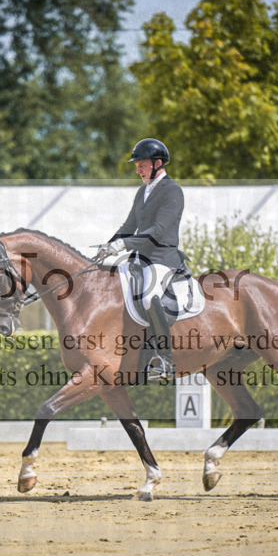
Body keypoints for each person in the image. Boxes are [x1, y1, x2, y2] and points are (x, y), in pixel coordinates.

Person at [98, 138, 187, 381]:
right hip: (139, 260)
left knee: (149, 297)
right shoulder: (142, 191)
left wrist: (123, 244)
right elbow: (130, 225)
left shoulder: (173, 191)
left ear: (158, 163)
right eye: (136, 165)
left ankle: (165, 360)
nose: (137, 170)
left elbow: (158, 231)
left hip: (163, 258)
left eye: (141, 165)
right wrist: (109, 245)